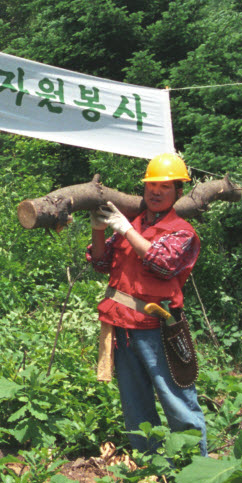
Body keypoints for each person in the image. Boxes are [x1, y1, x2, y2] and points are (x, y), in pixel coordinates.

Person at [87, 151, 209, 457]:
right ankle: (148, 466)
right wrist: (99, 229)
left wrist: (123, 227)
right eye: (151, 186)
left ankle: (195, 464)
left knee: (176, 398)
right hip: (123, 326)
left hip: (158, 327)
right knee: (134, 401)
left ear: (178, 192)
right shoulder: (135, 223)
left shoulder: (181, 231)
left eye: (165, 187)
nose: (155, 192)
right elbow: (101, 262)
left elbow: (163, 262)